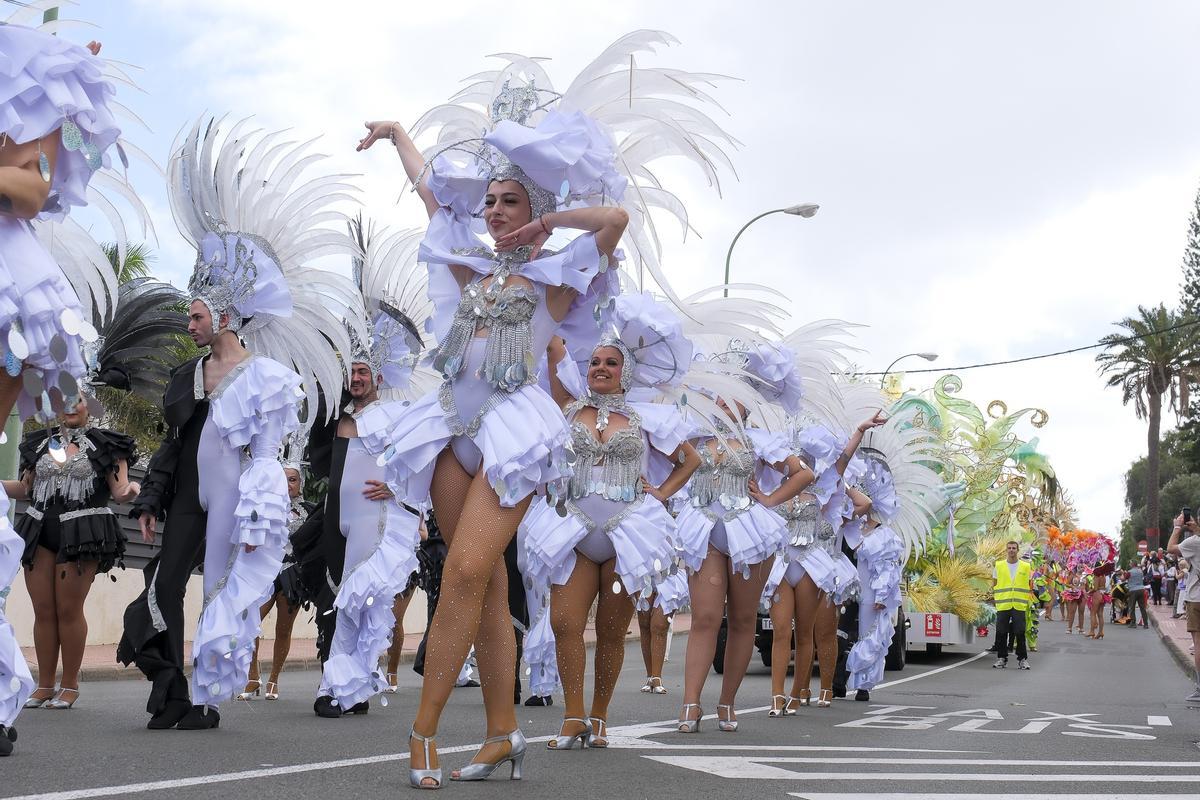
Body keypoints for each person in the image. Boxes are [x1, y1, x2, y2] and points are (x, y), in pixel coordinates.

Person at [361, 34, 735, 787]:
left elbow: (614, 220)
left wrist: (549, 223)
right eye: (492, 201)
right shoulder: (468, 267)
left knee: (466, 571)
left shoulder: (556, 279)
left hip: (510, 431)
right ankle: (503, 733)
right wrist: (399, 135)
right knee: (485, 592)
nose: (496, 212)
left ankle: (423, 733)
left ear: (532, 208)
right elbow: (434, 197)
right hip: (449, 426)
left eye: (511, 202)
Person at [116, 118, 360, 731]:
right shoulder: (189, 375)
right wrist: (151, 496)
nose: (189, 324)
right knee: (162, 584)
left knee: (221, 586)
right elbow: (173, 444)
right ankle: (171, 687)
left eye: (196, 316)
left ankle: (204, 699)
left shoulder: (265, 378)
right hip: (188, 496)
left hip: (233, 496)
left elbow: (271, 453)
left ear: (224, 316)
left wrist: (267, 502)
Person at [0, 15, 150, 754]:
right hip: (42, 521)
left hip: (83, 524)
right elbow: (23, 483)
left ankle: (61, 684)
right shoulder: (38, 446)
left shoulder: (101, 440)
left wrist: (127, 491)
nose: (70, 405)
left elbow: (30, 187)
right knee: (40, 604)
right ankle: (27, 681)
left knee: (66, 606)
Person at [521, 294, 700, 751]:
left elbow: (690, 460)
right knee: (564, 622)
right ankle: (572, 717)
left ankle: (599, 716)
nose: (600, 368)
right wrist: (558, 291)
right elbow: (553, 344)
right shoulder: (566, 406)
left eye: (611, 363)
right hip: (573, 530)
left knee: (611, 631)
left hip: (625, 534)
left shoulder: (645, 419)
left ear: (626, 371)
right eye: (596, 362)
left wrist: (660, 493)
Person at [311, 224, 428, 718]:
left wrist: (399, 495)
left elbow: (420, 464)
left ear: (378, 376)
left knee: (359, 601)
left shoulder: (396, 416)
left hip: (373, 521)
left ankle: (335, 690)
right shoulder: (337, 419)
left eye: (363, 372)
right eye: (352, 372)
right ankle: (354, 687)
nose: (356, 378)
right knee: (345, 599)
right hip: (337, 521)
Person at [238, 457, 315, 701]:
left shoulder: (310, 511)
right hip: (264, 573)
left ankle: (273, 679)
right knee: (250, 623)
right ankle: (253, 677)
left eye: (292, 480)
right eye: (283, 479)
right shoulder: (263, 507)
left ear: (300, 484)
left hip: (292, 576)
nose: (288, 484)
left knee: (283, 629)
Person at [1167, 515, 1200, 703]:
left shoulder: (1194, 542)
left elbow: (1171, 548)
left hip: (1196, 598)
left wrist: (1177, 527)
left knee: (1198, 644)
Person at [992, 540, 1034, 669]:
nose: (1011, 550)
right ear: (1006, 550)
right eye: (1009, 548)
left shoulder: (1026, 566)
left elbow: (1030, 584)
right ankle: (1002, 658)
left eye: (1014, 548)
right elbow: (994, 584)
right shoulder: (998, 565)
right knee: (1001, 632)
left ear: (1018, 550)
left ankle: (1022, 659)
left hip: (1019, 604)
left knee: (1020, 632)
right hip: (1003, 604)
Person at [1126, 562, 1149, 628]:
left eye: (1130, 564)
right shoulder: (1140, 571)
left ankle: (1133, 623)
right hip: (1141, 589)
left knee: (1132, 607)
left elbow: (1125, 578)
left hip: (1133, 590)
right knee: (1142, 607)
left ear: (1132, 565)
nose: (1129, 565)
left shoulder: (1129, 572)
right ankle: (1146, 624)